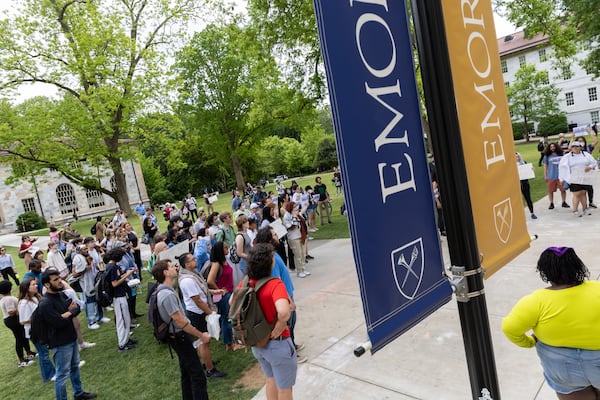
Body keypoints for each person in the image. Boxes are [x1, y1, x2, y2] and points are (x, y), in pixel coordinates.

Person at [502, 247, 600, 400]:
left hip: (561, 366)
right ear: (577, 266)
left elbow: (509, 328)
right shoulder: (597, 288)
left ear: (544, 272)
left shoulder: (535, 300)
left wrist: (529, 342)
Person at [244, 243, 298, 400]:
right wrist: (280, 326)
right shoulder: (275, 284)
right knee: (285, 389)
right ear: (268, 262)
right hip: (277, 344)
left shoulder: (247, 282)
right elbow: (283, 311)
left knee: (271, 380)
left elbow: (233, 301)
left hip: (258, 343)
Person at [151, 259, 211, 400]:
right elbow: (180, 321)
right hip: (180, 337)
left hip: (177, 337)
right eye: (171, 266)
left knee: (186, 372)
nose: (175, 267)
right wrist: (200, 335)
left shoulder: (165, 290)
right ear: (165, 272)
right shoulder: (167, 294)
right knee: (197, 375)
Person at [37, 269, 97, 400]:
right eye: (56, 279)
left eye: (59, 278)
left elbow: (76, 309)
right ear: (47, 285)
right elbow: (58, 322)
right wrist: (68, 313)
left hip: (71, 337)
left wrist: (67, 314)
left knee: (75, 367)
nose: (60, 281)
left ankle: (79, 393)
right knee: (62, 375)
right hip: (60, 343)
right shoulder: (45, 303)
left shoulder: (61, 294)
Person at [178, 253, 226, 378]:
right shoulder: (187, 280)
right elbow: (197, 300)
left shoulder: (193, 274)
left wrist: (214, 291)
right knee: (203, 341)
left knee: (205, 340)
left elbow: (201, 289)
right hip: (197, 313)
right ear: (187, 264)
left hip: (200, 311)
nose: (195, 260)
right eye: (192, 259)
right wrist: (210, 313)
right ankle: (210, 370)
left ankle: (207, 361)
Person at [18, 278, 56, 381]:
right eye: (33, 285)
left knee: (44, 353)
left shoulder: (35, 298)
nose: (36, 286)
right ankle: (49, 375)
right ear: (27, 288)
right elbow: (23, 321)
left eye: (36, 284)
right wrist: (39, 318)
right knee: (43, 353)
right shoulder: (24, 303)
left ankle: (51, 373)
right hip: (35, 332)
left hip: (41, 330)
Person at [104, 247, 136, 352]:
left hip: (120, 295)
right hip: (118, 296)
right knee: (122, 320)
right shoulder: (112, 267)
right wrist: (127, 274)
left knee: (125, 319)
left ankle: (126, 339)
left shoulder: (111, 266)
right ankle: (122, 344)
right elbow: (114, 283)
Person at [0, 280, 36, 367]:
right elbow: (11, 312)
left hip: (11, 320)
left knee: (23, 336)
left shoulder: (5, 298)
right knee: (19, 338)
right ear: (9, 289)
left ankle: (29, 352)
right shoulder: (8, 299)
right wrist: (20, 307)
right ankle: (21, 360)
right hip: (12, 320)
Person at [559, 141, 597, 217]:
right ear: (571, 148)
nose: (575, 148)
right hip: (574, 177)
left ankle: (585, 209)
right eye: (573, 146)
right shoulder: (567, 157)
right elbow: (562, 167)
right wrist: (562, 178)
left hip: (585, 177)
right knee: (576, 194)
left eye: (577, 146)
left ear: (580, 147)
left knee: (583, 193)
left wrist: (589, 167)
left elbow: (594, 162)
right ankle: (575, 210)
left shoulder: (586, 155)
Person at [543, 142, 570, 210]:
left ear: (556, 147)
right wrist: (545, 175)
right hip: (551, 175)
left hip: (561, 176)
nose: (552, 148)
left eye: (554, 146)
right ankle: (551, 203)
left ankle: (564, 202)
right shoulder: (547, 156)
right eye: (551, 147)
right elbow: (545, 166)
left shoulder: (561, 154)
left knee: (563, 190)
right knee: (550, 190)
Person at [515, 152, 537, 220]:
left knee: (528, 198)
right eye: (515, 157)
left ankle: (532, 213)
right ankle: (519, 214)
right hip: (517, 184)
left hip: (525, 183)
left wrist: (532, 169)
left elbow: (529, 170)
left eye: (518, 156)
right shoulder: (512, 165)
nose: (517, 158)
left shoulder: (523, 162)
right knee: (518, 200)